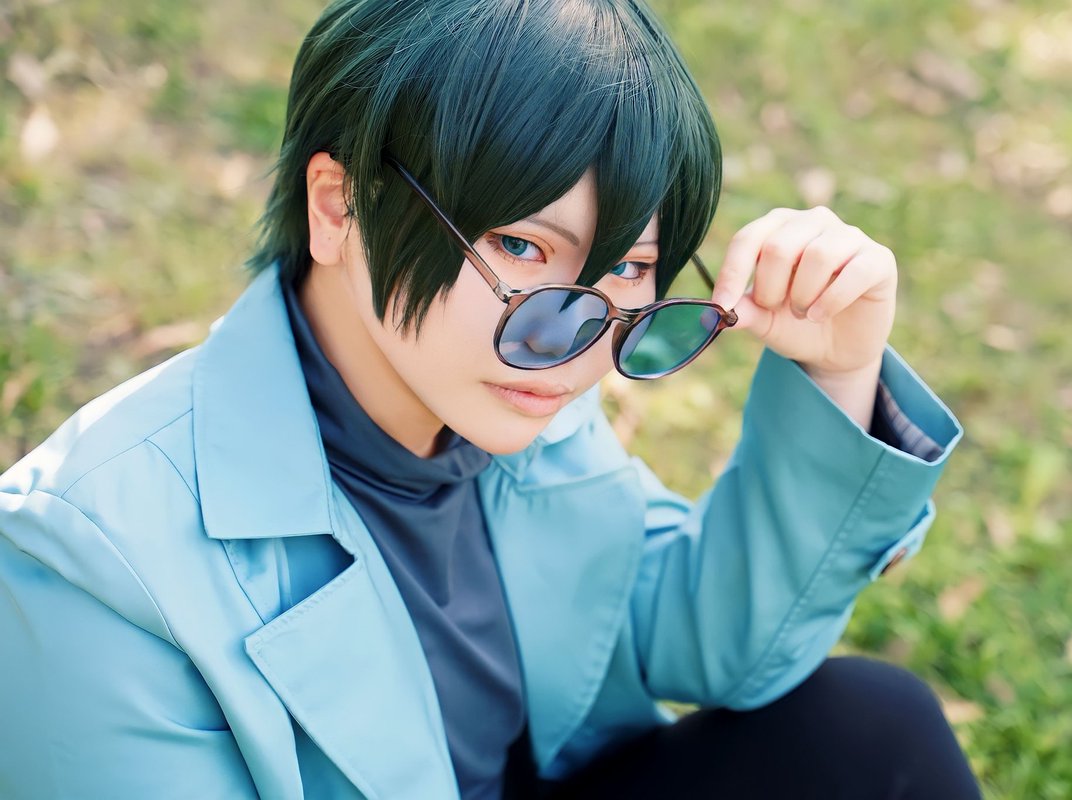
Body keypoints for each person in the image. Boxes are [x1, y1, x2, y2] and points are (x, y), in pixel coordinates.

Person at [0, 0, 979, 797]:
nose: (571, 343)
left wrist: (839, 370)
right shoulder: (93, 559)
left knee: (871, 727)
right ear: (339, 205)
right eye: (519, 245)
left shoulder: (505, 392)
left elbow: (702, 634)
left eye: (624, 268)